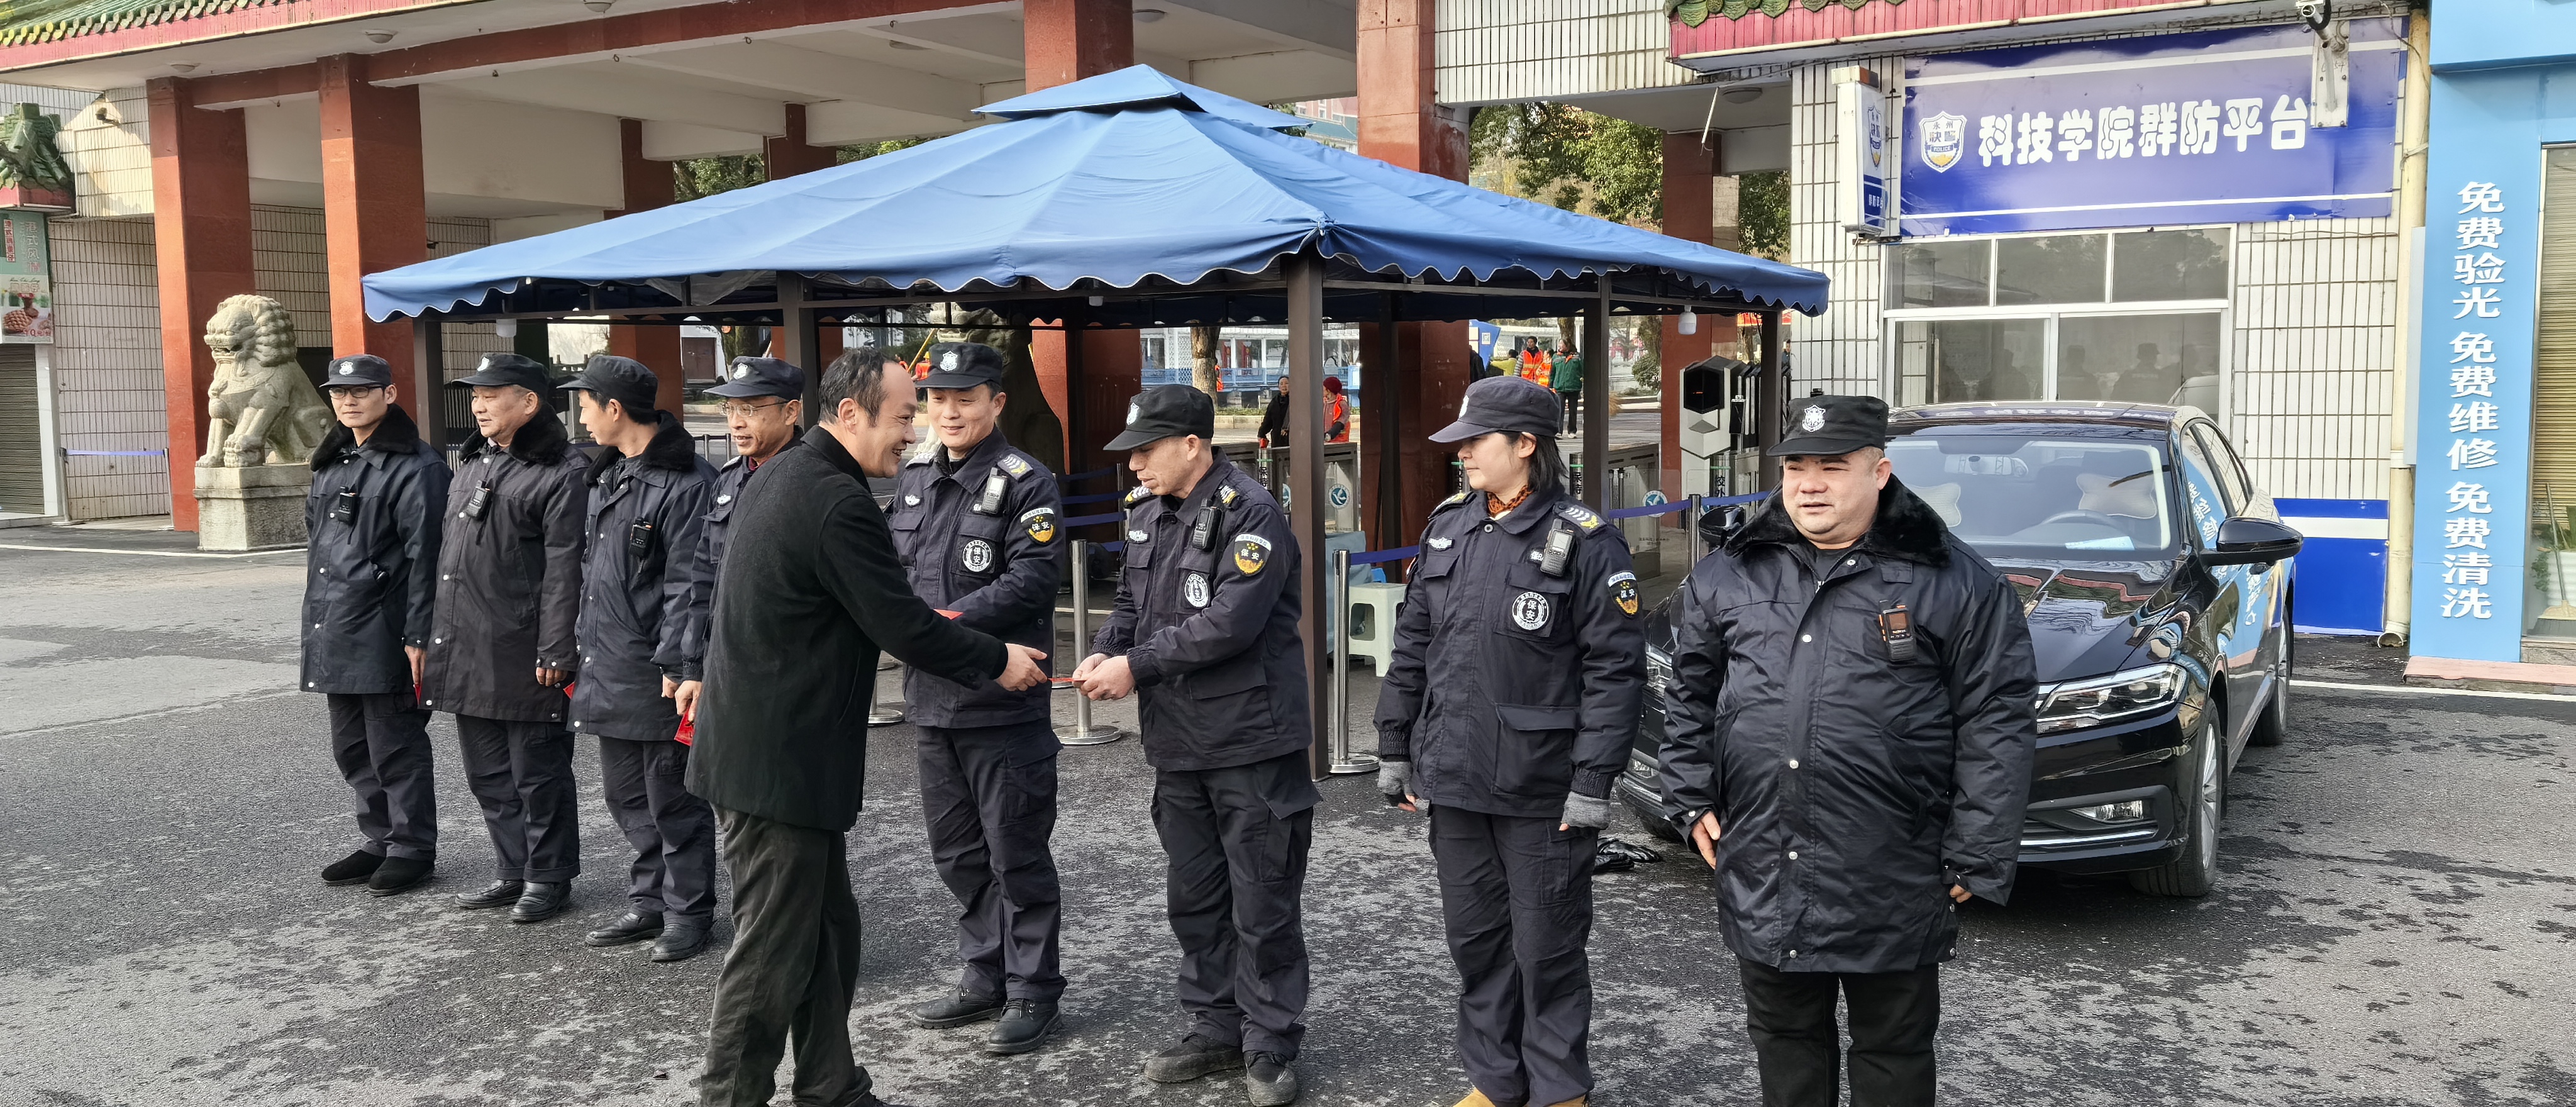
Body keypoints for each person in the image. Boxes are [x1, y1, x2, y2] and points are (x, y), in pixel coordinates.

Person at [687, 347, 1051, 1107]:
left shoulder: (792, 474)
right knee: (771, 951)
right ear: (850, 414)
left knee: (828, 929)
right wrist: (997, 658)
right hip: (778, 762)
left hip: (779, 754)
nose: (914, 431)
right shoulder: (832, 496)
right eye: (905, 415)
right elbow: (900, 622)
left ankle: (831, 1084)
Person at [1657, 395, 2038, 1107]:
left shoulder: (1959, 583)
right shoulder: (1730, 572)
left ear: (1880, 473)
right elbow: (1690, 693)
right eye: (1795, 467)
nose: (1809, 485)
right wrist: (1687, 793)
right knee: (1785, 1041)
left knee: (1893, 1050)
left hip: (1893, 867)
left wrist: (1980, 848)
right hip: (1765, 859)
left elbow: (1997, 719)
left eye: (1832, 468)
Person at [1372, 375, 1642, 1107]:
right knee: (1477, 940)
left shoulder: (1585, 539)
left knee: (1546, 944)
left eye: (1475, 441)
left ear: (1526, 445)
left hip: (1541, 786)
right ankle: (1495, 1079)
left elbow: (1615, 673)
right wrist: (1394, 744)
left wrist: (1593, 783)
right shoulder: (1447, 526)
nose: (1461, 453)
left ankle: (1558, 1087)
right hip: (1456, 777)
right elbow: (1413, 648)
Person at [1073, 384, 1314, 1107]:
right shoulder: (1147, 512)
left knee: (1262, 898)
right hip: (1178, 740)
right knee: (1196, 894)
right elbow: (1130, 603)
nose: (1134, 464)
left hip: (1250, 739)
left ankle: (1269, 1038)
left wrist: (1135, 665)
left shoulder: (1252, 513)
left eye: (1146, 450)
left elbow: (1230, 624)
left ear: (1192, 445)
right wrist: (1106, 647)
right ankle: (1215, 1024)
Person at [889, 342, 1069, 1055]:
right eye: (938, 399)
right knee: (958, 853)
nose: (950, 412)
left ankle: (1033, 990)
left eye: (965, 399)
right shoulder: (914, 478)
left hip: (1001, 703)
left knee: (1015, 853)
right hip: (933, 702)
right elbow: (893, 573)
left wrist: (941, 625)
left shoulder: (1026, 481)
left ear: (996, 402)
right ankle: (985, 972)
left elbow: (1032, 579)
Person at [557, 355, 721, 963]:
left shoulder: (687, 482)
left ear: (614, 407)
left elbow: (688, 586)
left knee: (672, 798)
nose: (582, 418)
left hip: (657, 670)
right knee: (625, 795)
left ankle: (688, 911)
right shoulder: (610, 474)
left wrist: (679, 665)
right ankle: (650, 898)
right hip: (609, 662)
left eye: (586, 405)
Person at [422, 352, 588, 924]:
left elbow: (567, 568)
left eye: (491, 395)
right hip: (467, 644)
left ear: (530, 402)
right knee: (488, 774)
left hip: (526, 649)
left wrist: (558, 647)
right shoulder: (475, 461)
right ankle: (513, 868)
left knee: (537, 774)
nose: (478, 405)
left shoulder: (562, 471)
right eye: (476, 395)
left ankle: (549, 877)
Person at [303, 353, 448, 897]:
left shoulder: (417, 466)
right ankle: (379, 838)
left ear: (389, 394)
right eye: (340, 392)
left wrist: (420, 634)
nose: (348, 400)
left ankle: (412, 847)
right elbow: (319, 545)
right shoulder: (333, 460)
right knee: (352, 746)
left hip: (388, 627)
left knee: (395, 744)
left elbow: (427, 558)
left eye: (361, 391)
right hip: (336, 625)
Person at [672, 356, 806, 726]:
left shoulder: (814, 479)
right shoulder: (729, 479)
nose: (735, 422)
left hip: (787, 670)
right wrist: (693, 666)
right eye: (730, 409)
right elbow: (704, 579)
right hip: (725, 663)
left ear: (790, 412)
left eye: (749, 409)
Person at [1549, 344, 1584, 437]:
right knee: (1560, 409)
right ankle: (1558, 431)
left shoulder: (1577, 357)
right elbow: (1552, 372)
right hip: (1560, 387)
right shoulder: (1556, 357)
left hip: (1574, 387)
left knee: (1573, 410)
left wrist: (1580, 381)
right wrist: (1551, 385)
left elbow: (1582, 370)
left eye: (1562, 344)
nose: (1559, 346)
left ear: (1567, 346)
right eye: (1559, 344)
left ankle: (1572, 431)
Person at [1258, 373, 1292, 448]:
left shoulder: (1294, 401)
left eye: (1286, 383)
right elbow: (1268, 420)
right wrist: (1261, 433)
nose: (1284, 386)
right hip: (1277, 438)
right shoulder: (1275, 402)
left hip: (1291, 438)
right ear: (1278, 386)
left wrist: (1287, 429)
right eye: (1281, 384)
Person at [1321, 376, 1351, 443]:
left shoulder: (1341, 403)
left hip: (1339, 442)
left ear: (1329, 390)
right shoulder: (1324, 403)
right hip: (1326, 441)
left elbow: (1343, 420)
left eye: (1324, 388)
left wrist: (1331, 434)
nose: (1322, 390)